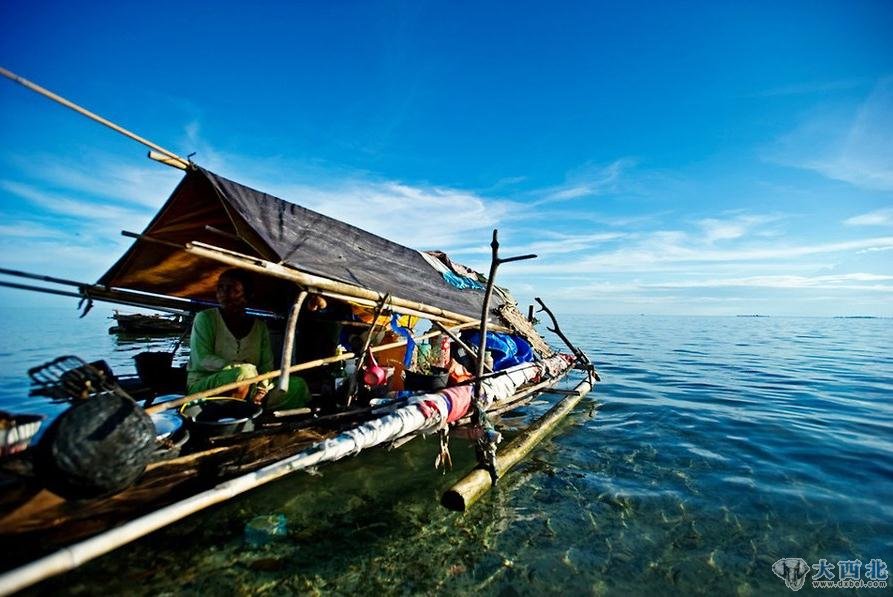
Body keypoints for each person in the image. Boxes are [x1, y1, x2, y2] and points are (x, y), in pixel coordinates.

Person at [186, 268, 309, 409]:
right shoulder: (205, 318)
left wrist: (262, 388)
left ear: (248, 295)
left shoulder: (260, 327)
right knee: (243, 374)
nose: (223, 293)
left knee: (298, 385)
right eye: (220, 288)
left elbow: (266, 365)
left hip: (251, 386)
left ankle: (253, 406)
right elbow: (202, 359)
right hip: (207, 385)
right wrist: (242, 369)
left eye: (232, 289)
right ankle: (236, 413)